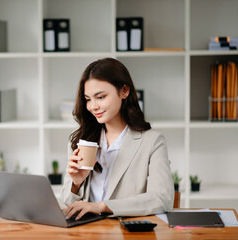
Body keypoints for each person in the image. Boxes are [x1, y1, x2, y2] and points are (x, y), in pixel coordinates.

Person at [61, 58, 174, 220]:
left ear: (124, 91)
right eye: (88, 99)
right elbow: (68, 206)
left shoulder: (152, 142)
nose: (93, 106)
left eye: (100, 97)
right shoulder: (81, 140)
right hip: (86, 233)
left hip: (126, 233)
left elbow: (162, 198)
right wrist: (76, 184)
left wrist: (101, 206)